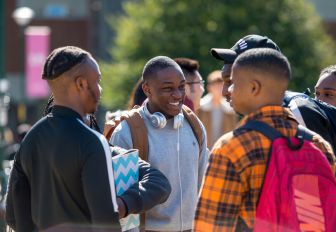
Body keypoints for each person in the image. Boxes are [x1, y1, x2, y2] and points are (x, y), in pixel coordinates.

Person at [5, 46, 171, 231]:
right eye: (97, 81)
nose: (99, 89)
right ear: (81, 84)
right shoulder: (92, 142)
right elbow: (105, 222)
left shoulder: (30, 139)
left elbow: (13, 215)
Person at [194, 48, 336, 231]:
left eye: (234, 83)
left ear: (254, 88)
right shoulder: (318, 144)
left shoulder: (233, 147)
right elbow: (333, 215)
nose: (228, 90)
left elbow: (210, 226)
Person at [110, 56, 209, 232]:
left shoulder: (195, 125)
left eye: (181, 87)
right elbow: (124, 210)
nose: (178, 95)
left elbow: (203, 187)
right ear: (147, 89)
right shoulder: (127, 131)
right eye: (168, 88)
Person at [197, 70, 239, 149]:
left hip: (223, 150)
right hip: (203, 150)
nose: (218, 89)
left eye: (220, 86)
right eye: (215, 86)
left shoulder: (230, 110)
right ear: (209, 87)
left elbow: (232, 133)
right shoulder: (200, 107)